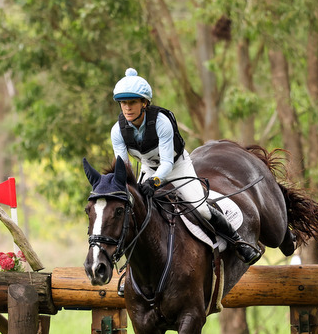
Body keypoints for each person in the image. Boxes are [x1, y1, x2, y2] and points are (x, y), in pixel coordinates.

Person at [110, 67, 260, 264]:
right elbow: (124, 168)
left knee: (202, 209)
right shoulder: (117, 131)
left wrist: (155, 182)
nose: (127, 108)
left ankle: (238, 242)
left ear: (144, 103)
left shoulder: (161, 122)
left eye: (132, 102)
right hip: (148, 168)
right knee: (135, 214)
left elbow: (167, 163)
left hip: (176, 167)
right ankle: (132, 270)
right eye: (123, 103)